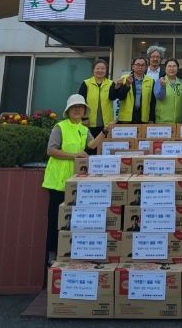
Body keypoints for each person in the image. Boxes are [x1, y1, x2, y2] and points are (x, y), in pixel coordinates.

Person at [42, 94, 115, 264]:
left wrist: (105, 131)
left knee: (73, 219)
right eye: (74, 107)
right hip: (58, 183)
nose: (77, 110)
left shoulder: (84, 129)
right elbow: (51, 150)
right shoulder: (60, 127)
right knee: (55, 219)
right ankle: (52, 256)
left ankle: (69, 253)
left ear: (84, 111)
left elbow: (92, 145)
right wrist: (75, 155)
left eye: (80, 107)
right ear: (68, 111)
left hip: (76, 183)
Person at [78, 58, 118, 137]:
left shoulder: (111, 83)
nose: (100, 70)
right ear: (93, 70)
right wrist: (84, 118)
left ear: (106, 71)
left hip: (107, 124)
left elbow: (113, 97)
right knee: (91, 143)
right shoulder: (86, 83)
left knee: (105, 143)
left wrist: (117, 88)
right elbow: (80, 102)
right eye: (97, 68)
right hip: (89, 123)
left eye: (103, 68)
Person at [115, 56, 156, 123]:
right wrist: (127, 85)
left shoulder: (151, 81)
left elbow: (152, 102)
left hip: (143, 117)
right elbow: (120, 97)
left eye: (143, 65)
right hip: (126, 118)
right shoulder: (124, 78)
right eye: (137, 64)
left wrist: (151, 118)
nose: (140, 67)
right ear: (133, 66)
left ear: (146, 67)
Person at [154, 58, 182, 123]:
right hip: (163, 122)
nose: (172, 69)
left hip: (179, 122)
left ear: (177, 68)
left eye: (174, 66)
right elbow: (159, 97)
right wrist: (163, 87)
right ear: (165, 68)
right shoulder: (159, 81)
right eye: (169, 66)